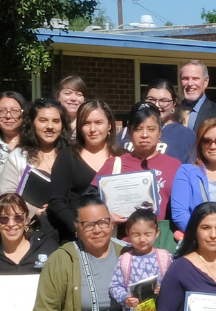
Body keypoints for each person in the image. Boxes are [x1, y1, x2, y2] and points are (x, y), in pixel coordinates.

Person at [49, 100, 177, 239]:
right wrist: (105, 217)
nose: (144, 134)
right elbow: (88, 202)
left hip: (162, 241)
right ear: (129, 132)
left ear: (160, 132)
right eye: (138, 129)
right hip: (123, 243)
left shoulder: (175, 165)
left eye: (151, 129)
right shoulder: (115, 163)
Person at [170, 116, 216, 240]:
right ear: (200, 144)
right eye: (206, 141)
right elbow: (180, 214)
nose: (213, 146)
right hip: (198, 244)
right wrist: (206, 237)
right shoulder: (186, 172)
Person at [18, 97, 67, 227]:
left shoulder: (73, 155)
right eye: (43, 120)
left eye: (56, 121)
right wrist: (34, 211)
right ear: (32, 123)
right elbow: (6, 196)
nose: (50, 126)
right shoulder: (17, 157)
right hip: (29, 229)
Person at [0, 91, 31, 194]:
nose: (8, 116)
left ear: (24, 114)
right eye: (2, 110)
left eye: (15, 111)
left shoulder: (34, 146)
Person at [145, 82, 197, 159]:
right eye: (151, 99)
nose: (156, 105)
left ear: (174, 103)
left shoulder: (187, 136)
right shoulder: (131, 132)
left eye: (164, 101)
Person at [178, 61, 216, 128]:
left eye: (195, 79)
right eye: (185, 78)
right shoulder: (172, 111)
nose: (190, 84)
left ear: (206, 82)